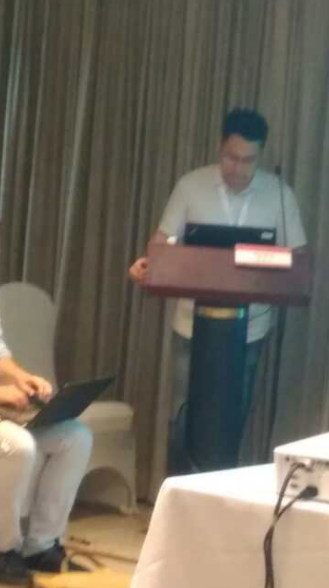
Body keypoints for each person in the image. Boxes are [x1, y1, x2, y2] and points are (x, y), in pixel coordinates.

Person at [129, 107, 307, 462]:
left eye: (248, 160)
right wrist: (148, 263)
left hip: (249, 329)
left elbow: (297, 258)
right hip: (192, 325)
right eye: (231, 157)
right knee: (183, 417)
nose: (238, 168)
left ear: (260, 155)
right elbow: (162, 243)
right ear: (220, 148)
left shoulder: (278, 194)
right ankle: (179, 487)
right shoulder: (191, 186)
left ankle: (221, 489)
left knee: (231, 419)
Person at [0, 201, 93, 586]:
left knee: (76, 437)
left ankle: (42, 544)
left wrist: (24, 378)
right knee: (19, 446)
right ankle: (2, 551)